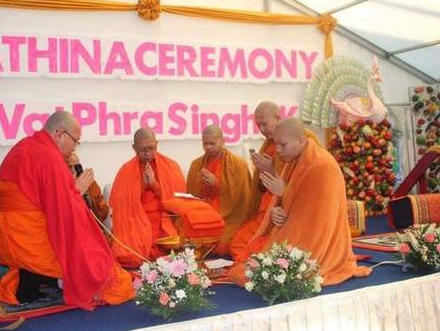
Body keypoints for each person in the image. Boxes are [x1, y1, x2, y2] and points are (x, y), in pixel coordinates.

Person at [0, 111, 133, 308]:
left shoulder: (26, 145)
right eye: (75, 141)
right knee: (83, 249)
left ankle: (33, 288)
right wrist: (78, 190)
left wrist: (72, 191)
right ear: (59, 134)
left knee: (52, 242)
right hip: (27, 226)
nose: (75, 147)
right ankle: (34, 289)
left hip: (10, 225)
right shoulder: (49, 155)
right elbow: (63, 207)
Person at [229, 118, 371, 286]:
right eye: (277, 145)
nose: (279, 151)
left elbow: (319, 214)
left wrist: (283, 192)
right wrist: (277, 210)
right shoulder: (295, 159)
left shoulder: (322, 165)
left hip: (318, 239)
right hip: (297, 229)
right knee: (245, 265)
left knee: (252, 274)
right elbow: (293, 202)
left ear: (301, 140)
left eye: (283, 145)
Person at [229, 101, 317, 261]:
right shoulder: (268, 144)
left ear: (278, 117)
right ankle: (259, 265)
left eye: (264, 124)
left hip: (291, 211)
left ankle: (264, 265)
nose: (261, 130)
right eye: (258, 125)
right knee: (238, 242)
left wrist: (271, 170)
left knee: (256, 246)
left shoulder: (305, 140)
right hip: (269, 209)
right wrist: (263, 171)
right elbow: (262, 188)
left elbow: (307, 181)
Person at [110, 128, 186, 268]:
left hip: (164, 217)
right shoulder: (126, 170)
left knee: (172, 243)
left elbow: (177, 202)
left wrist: (154, 184)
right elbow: (121, 204)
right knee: (130, 253)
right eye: (142, 149)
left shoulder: (171, 166)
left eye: (151, 148)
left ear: (156, 144)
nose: (147, 153)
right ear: (134, 148)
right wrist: (143, 185)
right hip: (136, 219)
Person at [186, 125, 252, 255]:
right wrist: (200, 185)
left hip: (230, 216)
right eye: (205, 144)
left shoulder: (239, 165)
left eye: (212, 143)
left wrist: (217, 186)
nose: (209, 147)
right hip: (203, 213)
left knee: (224, 243)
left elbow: (243, 199)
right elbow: (191, 197)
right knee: (186, 235)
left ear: (223, 141)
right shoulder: (196, 164)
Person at [67, 152, 109, 223]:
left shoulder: (90, 183)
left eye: (77, 166)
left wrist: (90, 202)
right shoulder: (61, 186)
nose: (74, 170)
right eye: (70, 167)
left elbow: (103, 212)